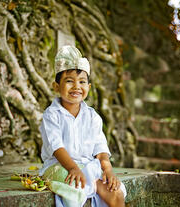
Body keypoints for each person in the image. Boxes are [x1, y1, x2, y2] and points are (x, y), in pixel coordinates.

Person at [39, 45, 126, 207]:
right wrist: (72, 168)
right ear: (56, 86)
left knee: (115, 191)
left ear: (89, 87)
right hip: (59, 167)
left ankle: (97, 186)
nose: (76, 86)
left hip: (89, 167)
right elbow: (57, 147)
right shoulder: (51, 115)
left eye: (82, 82)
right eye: (69, 81)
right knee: (76, 189)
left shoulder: (92, 116)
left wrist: (108, 170)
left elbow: (100, 151)